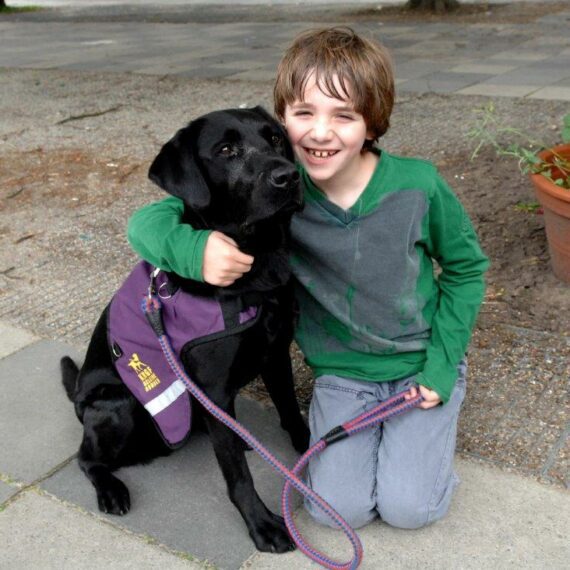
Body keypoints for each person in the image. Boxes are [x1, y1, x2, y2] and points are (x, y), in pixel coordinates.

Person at [127, 27, 489, 530]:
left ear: (372, 122)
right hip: (344, 376)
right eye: (304, 114)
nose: (321, 133)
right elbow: (146, 222)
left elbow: (467, 270)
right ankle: (387, 443)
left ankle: (421, 450)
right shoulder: (274, 190)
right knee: (332, 510)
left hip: (418, 364)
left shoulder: (418, 185)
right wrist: (194, 249)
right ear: (284, 119)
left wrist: (443, 364)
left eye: (344, 115)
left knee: (410, 509)